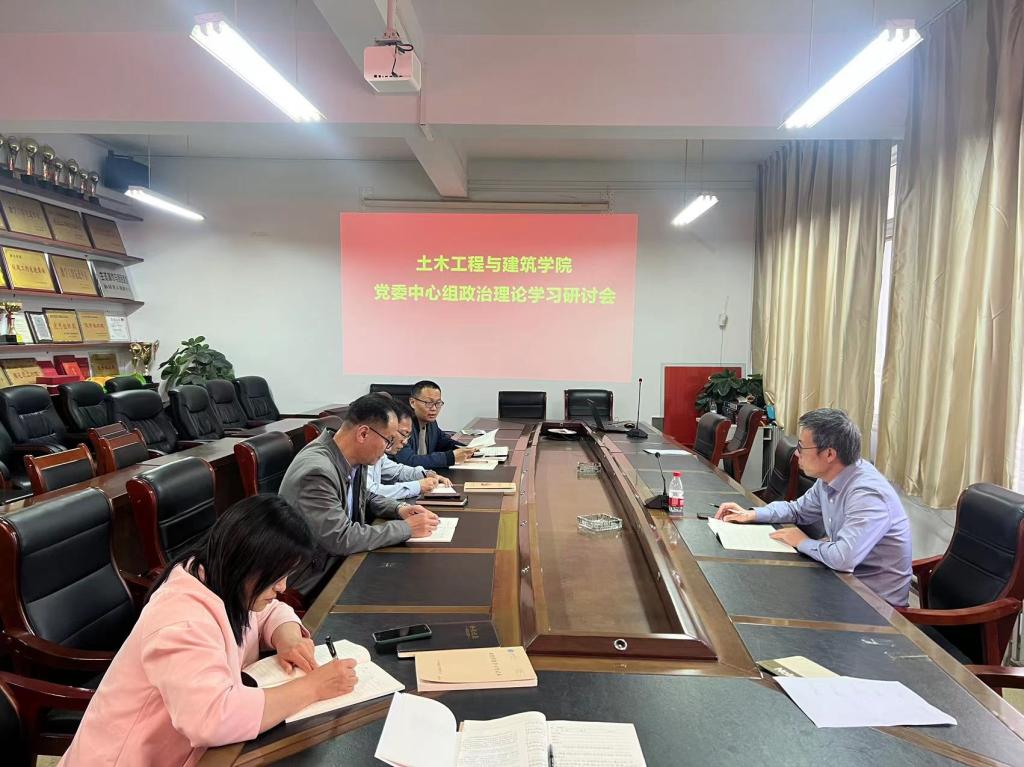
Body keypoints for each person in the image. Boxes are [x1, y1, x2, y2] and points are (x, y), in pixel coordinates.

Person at [59, 495, 358, 767]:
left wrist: (288, 636)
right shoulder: (181, 619)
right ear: (246, 562)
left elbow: (269, 611)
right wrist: (313, 687)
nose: (282, 587)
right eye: (277, 576)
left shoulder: (223, 580)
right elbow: (212, 719)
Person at [716, 408, 912, 606]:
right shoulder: (830, 477)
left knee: (767, 598)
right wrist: (752, 514)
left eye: (801, 447)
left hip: (874, 604)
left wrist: (802, 541)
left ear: (829, 454)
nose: (796, 453)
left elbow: (843, 558)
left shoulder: (868, 495)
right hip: (840, 581)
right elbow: (797, 510)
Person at [279, 393, 439, 599]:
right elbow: (341, 538)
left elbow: (365, 496)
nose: (388, 449)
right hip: (314, 579)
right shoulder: (317, 472)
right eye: (388, 440)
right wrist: (407, 528)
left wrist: (399, 509)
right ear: (363, 434)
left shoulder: (351, 456)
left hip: (341, 562)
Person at [366, 400, 454, 500]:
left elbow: (398, 471)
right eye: (403, 434)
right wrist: (417, 487)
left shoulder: (379, 455)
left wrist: (426, 474)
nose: (405, 442)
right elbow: (370, 492)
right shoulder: (363, 455)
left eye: (408, 436)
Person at [391, 380, 477, 470]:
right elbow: (408, 461)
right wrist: (449, 458)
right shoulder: (402, 427)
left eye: (438, 403)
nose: (434, 408)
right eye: (429, 403)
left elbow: (442, 441)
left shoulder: (431, 422)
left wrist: (467, 449)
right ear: (412, 402)